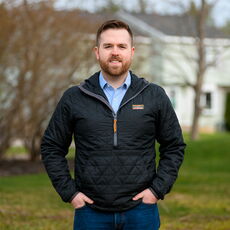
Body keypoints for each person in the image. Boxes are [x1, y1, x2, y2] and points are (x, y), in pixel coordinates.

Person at [41, 19, 186, 230]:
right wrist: (70, 193)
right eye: (108, 46)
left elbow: (174, 146)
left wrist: (156, 190)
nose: (115, 52)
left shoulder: (154, 95)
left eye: (121, 46)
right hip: (90, 213)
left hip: (141, 212)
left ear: (132, 51)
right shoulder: (75, 97)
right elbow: (51, 147)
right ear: (97, 52)